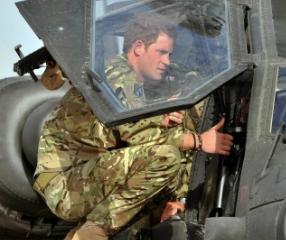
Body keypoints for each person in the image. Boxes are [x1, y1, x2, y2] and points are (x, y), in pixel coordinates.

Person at [33, 14, 233, 240]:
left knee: (163, 161)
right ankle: (89, 234)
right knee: (164, 156)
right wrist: (198, 141)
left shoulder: (144, 83)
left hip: (90, 173)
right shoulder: (115, 74)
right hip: (65, 186)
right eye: (161, 52)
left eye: (170, 54)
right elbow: (139, 135)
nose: (167, 61)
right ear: (138, 47)